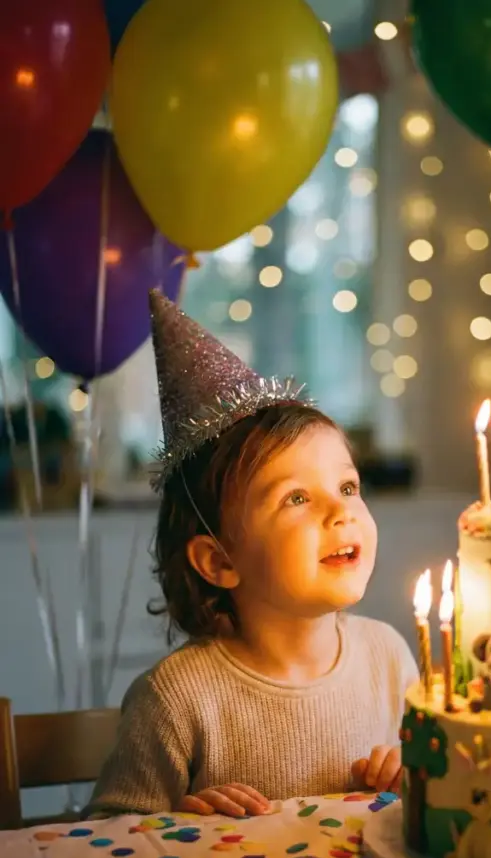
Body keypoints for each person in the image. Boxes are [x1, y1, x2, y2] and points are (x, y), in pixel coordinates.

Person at [86, 291, 418, 818]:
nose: (341, 513)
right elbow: (109, 841)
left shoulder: (389, 658)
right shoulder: (176, 698)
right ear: (218, 561)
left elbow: (431, 787)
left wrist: (411, 776)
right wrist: (182, 820)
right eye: (298, 499)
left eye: (349, 488)